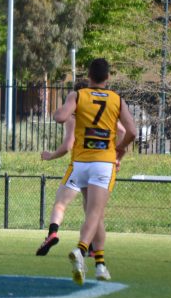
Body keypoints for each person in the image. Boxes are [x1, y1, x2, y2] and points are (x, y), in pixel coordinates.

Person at [53, 58, 136, 285]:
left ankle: (100, 264)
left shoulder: (78, 96)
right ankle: (81, 250)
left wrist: (63, 109)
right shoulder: (116, 100)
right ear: (108, 77)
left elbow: (60, 117)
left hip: (80, 164)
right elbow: (132, 131)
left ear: (88, 76)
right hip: (103, 163)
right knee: (95, 213)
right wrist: (119, 149)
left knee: (94, 213)